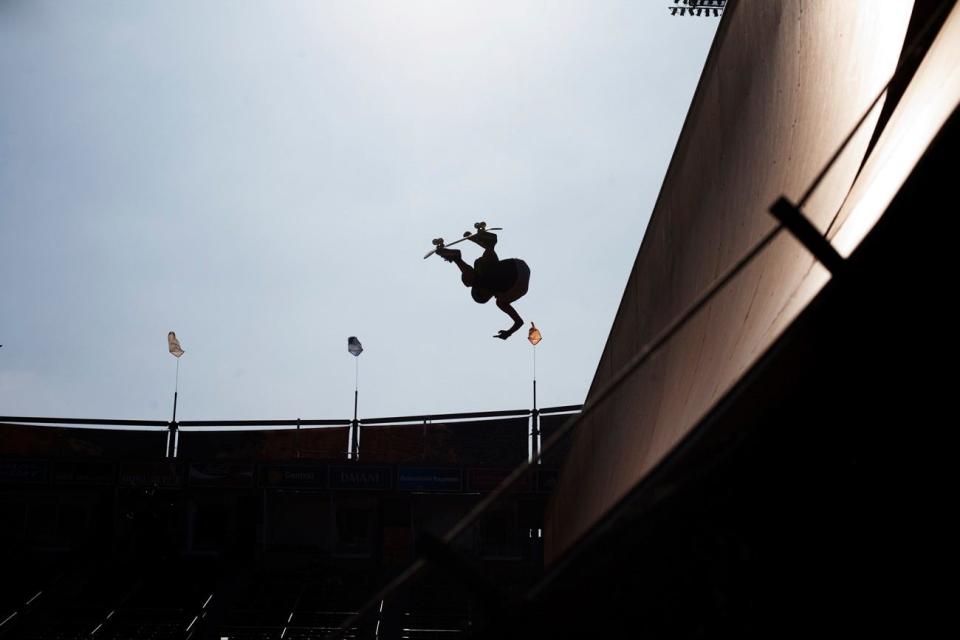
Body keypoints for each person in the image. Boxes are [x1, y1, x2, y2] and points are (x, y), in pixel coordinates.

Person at [435, 229, 531, 340]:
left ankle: (470, 253)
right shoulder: (501, 301)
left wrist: (509, 333)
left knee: (478, 274)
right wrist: (508, 333)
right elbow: (519, 322)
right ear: (484, 296)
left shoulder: (496, 292)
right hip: (515, 270)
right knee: (479, 276)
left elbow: (519, 322)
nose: (481, 289)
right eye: (480, 291)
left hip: (515, 269)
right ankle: (487, 246)